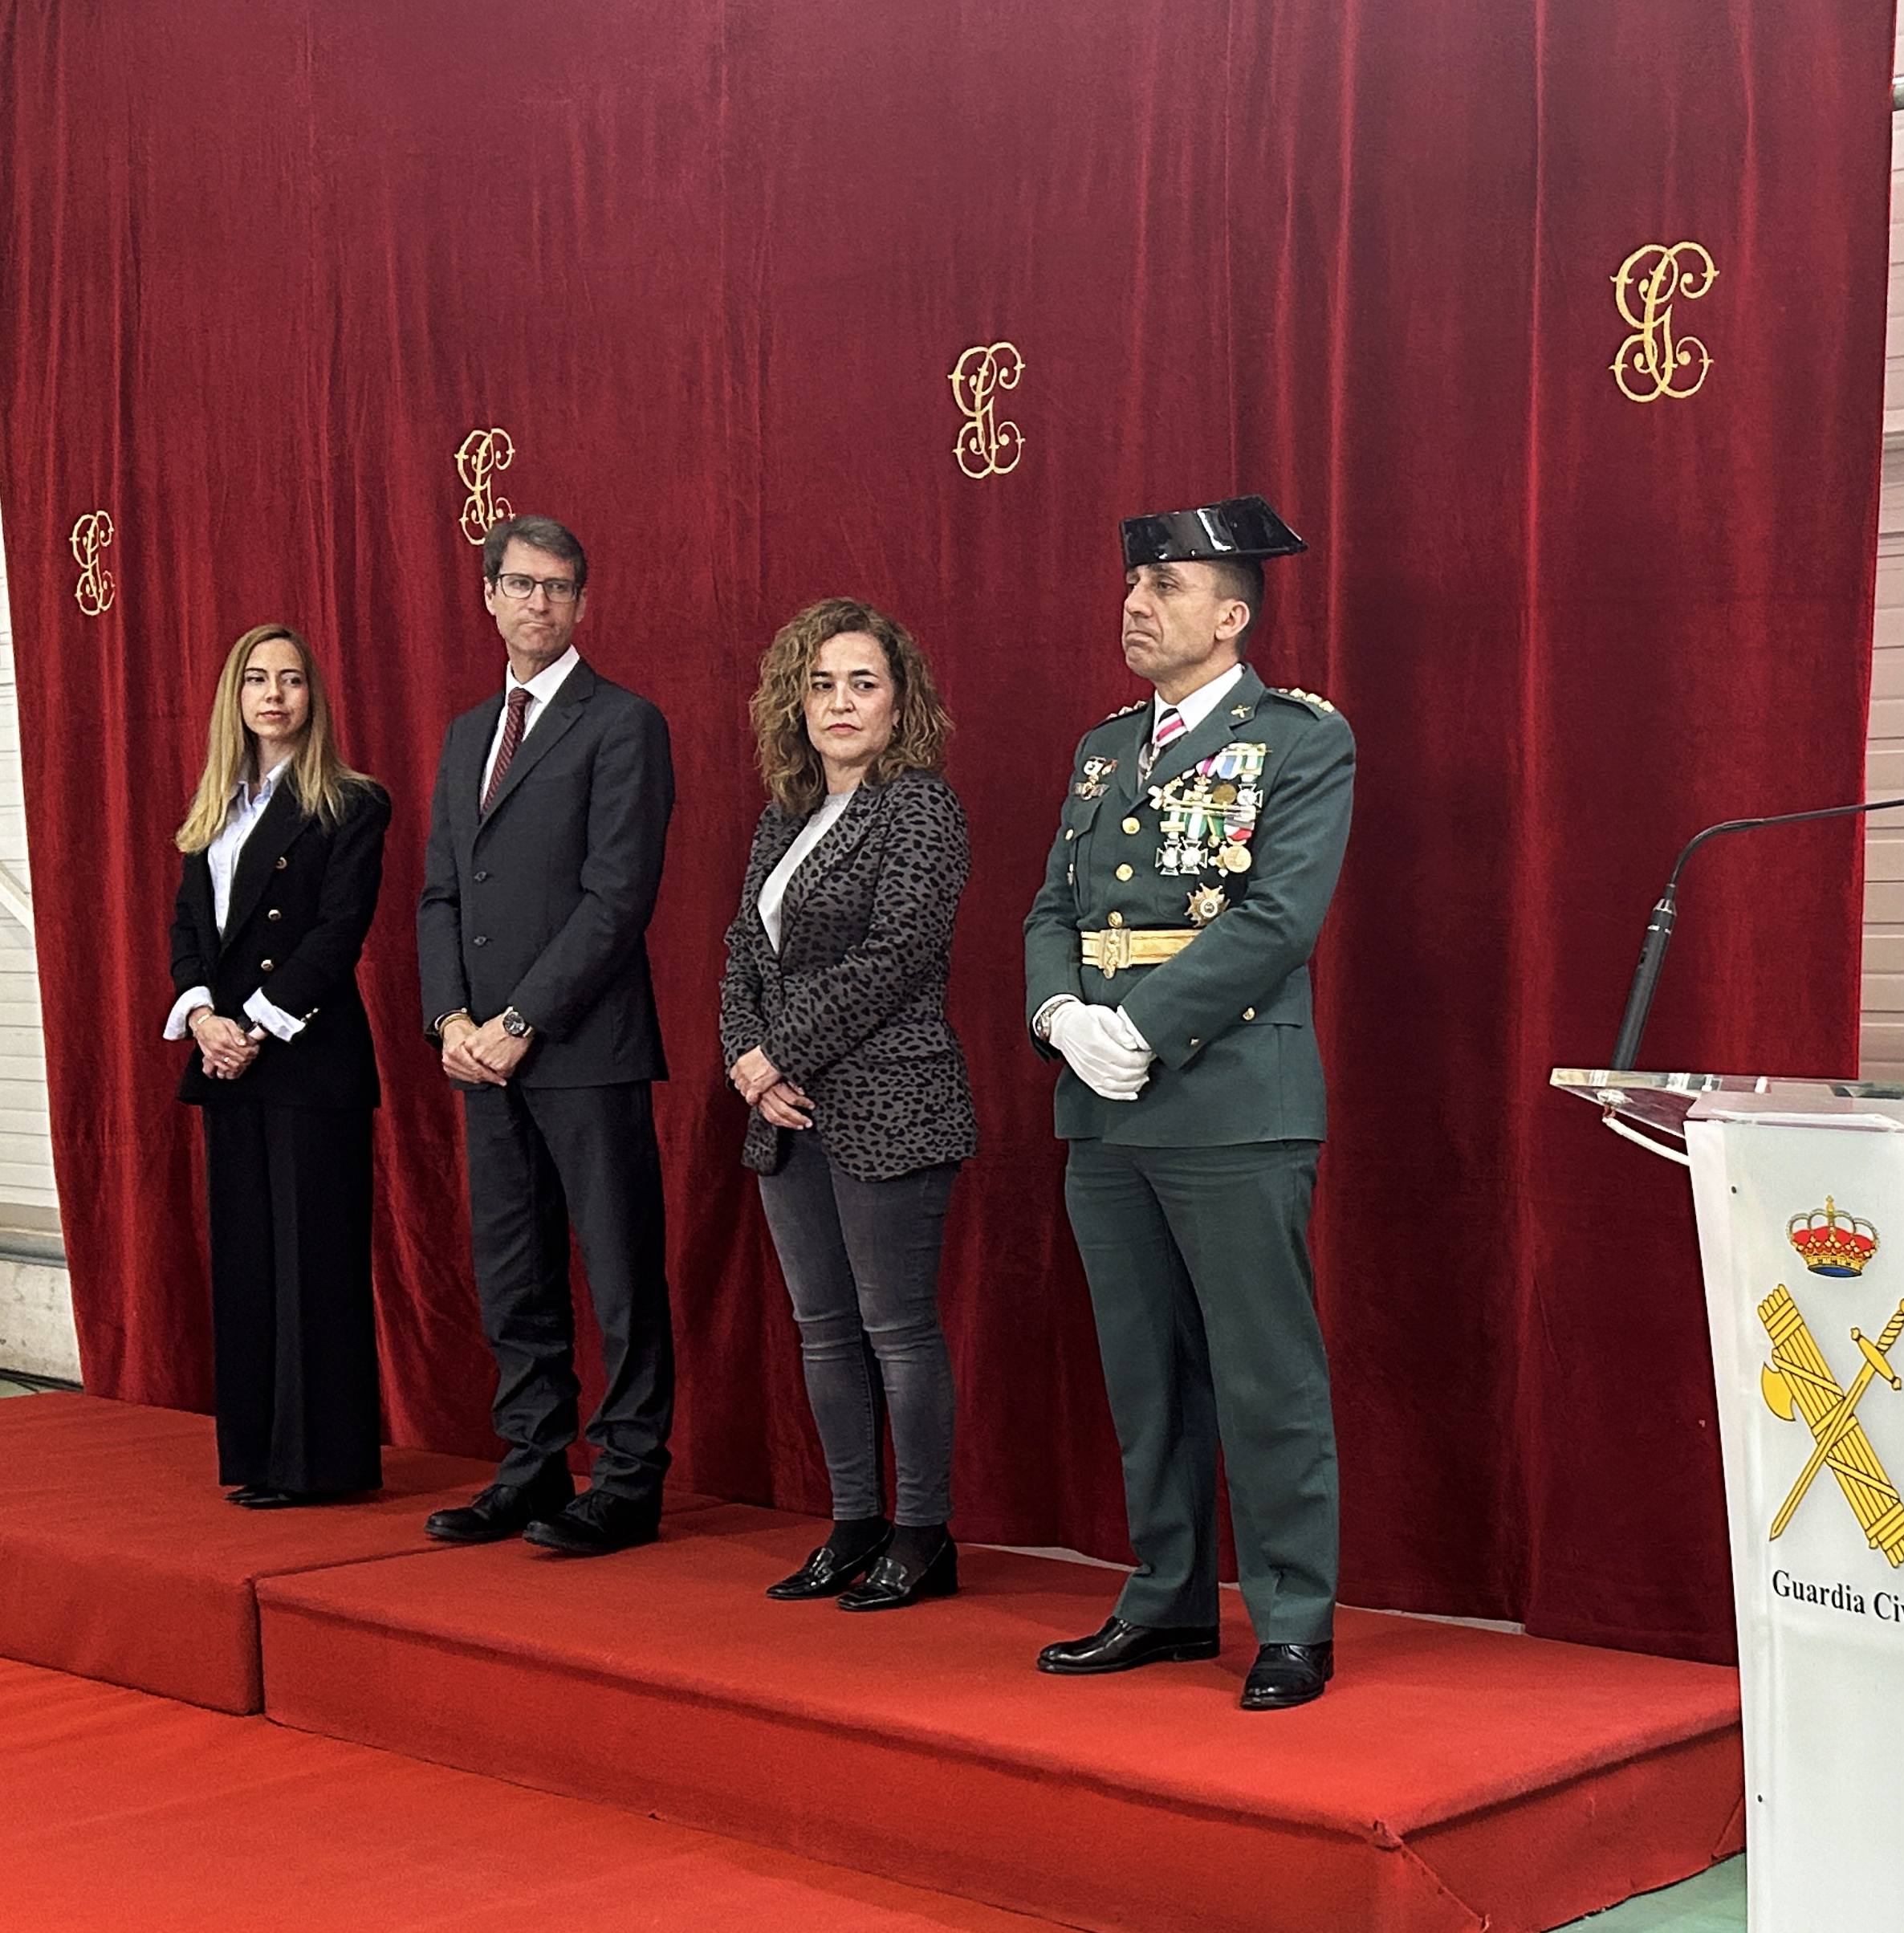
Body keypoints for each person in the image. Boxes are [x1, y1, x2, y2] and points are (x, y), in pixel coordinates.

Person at [1023, 495, 1355, 1711]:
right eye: (1133, 584)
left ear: (1230, 615)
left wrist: (1142, 1027)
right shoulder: (1104, 747)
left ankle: (1293, 1616)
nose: (1136, 604)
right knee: (1145, 1373)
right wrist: (1061, 1016)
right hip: (1105, 1108)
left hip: (1231, 1098)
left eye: (1164, 586)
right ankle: (1165, 1595)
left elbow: (1277, 918)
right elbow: (1052, 908)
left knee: (1263, 1372)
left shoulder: (1298, 740)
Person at [417, 513, 678, 1557]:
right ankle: (530, 1463)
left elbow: (618, 898)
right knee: (513, 1269)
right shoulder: (466, 733)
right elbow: (441, 893)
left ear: (582, 601)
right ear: (488, 594)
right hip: (480, 1058)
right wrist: (452, 1020)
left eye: (559, 586)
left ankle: (628, 1478)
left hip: (584, 1047)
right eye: (522, 583)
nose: (540, 602)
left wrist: (520, 1021)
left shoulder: (624, 723)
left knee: (619, 1271)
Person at [720, 598, 976, 1611]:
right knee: (822, 1328)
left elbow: (895, 955)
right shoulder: (782, 815)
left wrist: (774, 1053)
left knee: (896, 1328)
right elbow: (742, 952)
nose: (839, 702)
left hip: (893, 1100)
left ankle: (922, 1533)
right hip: (784, 1111)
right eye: (820, 684)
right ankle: (854, 1523)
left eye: (862, 683)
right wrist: (747, 1060)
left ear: (897, 701)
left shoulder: (920, 808)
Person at [165, 622, 390, 1507]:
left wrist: (253, 1023)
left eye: (291, 679)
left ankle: (320, 1464)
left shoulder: (350, 801)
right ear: (236, 695)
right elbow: (187, 927)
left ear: (312, 696)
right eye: (257, 679)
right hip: (226, 1057)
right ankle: (259, 1456)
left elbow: (338, 932)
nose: (274, 694)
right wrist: (201, 1016)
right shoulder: (212, 805)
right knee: (248, 1263)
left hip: (307, 1056)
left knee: (313, 1265)